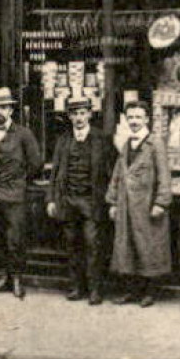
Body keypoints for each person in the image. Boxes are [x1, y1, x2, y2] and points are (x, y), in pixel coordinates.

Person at [47, 97, 115, 305]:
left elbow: (111, 172)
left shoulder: (101, 139)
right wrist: (51, 199)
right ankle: (77, 287)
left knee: (93, 245)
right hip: (68, 200)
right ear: (69, 116)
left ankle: (95, 289)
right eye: (74, 114)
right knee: (72, 244)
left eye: (82, 113)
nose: (79, 118)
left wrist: (111, 200)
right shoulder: (63, 140)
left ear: (89, 115)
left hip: (92, 201)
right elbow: (55, 172)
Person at [107, 101, 173, 306]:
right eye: (131, 117)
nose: (134, 121)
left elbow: (164, 175)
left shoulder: (156, 144)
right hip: (127, 206)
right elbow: (119, 174)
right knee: (127, 248)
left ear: (146, 119)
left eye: (138, 117)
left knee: (148, 248)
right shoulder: (127, 144)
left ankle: (149, 292)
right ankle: (130, 291)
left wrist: (161, 202)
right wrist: (112, 201)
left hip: (146, 206)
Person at [0, 87, 42, 299]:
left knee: (15, 239)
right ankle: (5, 277)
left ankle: (17, 279)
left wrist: (19, 181)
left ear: (11, 110)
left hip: (15, 195)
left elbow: (36, 163)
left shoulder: (23, 134)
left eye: (4, 107)